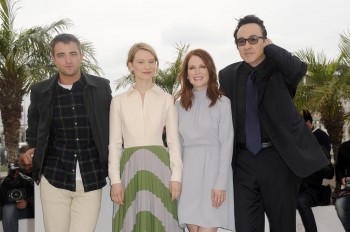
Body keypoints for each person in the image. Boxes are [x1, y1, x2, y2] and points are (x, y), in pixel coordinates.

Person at [218, 15, 330, 232]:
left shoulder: (281, 71)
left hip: (278, 161)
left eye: (253, 39)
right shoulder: (228, 75)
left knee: (282, 227)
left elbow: (299, 69)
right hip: (242, 163)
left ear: (265, 41)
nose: (247, 45)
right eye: (241, 41)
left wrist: (271, 49)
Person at [22, 33, 112, 232]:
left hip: (91, 176)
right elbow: (34, 127)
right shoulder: (40, 90)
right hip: (54, 177)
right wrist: (31, 148)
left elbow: (113, 126)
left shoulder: (101, 87)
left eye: (73, 53)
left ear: (81, 55)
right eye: (61, 55)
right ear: (53, 59)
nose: (68, 60)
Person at [108, 42, 183, 232]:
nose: (147, 66)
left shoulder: (167, 99)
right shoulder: (118, 101)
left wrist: (176, 177)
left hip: (160, 168)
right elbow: (115, 144)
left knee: (162, 221)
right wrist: (115, 181)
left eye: (151, 61)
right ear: (130, 65)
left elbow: (173, 141)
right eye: (141, 62)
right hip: (129, 168)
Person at [175, 49, 234, 232]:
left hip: (213, 176)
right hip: (188, 177)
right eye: (192, 68)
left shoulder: (223, 103)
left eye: (202, 67)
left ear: (210, 70)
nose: (197, 72)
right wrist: (178, 179)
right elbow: (177, 146)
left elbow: (226, 145)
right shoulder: (178, 105)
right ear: (186, 74)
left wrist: (221, 183)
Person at [297, 110, 334, 232]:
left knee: (301, 201)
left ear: (308, 125)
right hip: (294, 189)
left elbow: (330, 172)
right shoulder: (293, 149)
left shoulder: (320, 148)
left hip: (312, 190)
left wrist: (314, 162)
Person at [2, 145, 34, 232]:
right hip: (19, 209)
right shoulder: (14, 173)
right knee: (8, 209)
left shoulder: (40, 172)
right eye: (23, 164)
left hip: (34, 208)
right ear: (19, 161)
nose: (26, 166)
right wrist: (11, 181)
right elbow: (3, 197)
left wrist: (27, 202)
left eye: (29, 164)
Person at [334, 140, 350, 232]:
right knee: (339, 204)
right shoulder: (345, 147)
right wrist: (342, 177)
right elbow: (339, 167)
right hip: (348, 187)